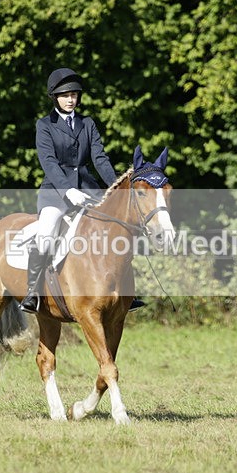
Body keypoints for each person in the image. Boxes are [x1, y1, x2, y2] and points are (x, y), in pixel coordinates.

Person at [20, 67, 145, 313]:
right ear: (54, 97)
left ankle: (126, 291)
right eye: (65, 95)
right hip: (55, 194)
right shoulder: (44, 125)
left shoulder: (87, 124)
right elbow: (49, 162)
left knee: (118, 232)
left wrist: (116, 187)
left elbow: (99, 158)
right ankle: (32, 293)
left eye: (74, 95)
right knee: (46, 235)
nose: (70, 99)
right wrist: (67, 191)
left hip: (89, 191)